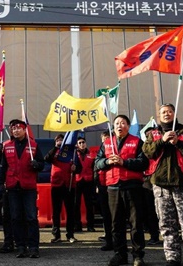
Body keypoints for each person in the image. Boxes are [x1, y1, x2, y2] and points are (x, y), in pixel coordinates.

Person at [142, 104, 183, 266]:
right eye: (163, 112)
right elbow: (148, 152)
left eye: (169, 111)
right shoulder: (152, 133)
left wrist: (178, 143)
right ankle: (172, 258)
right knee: (167, 225)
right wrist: (162, 141)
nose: (166, 114)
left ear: (174, 113)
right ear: (159, 115)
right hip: (161, 186)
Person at [95, 114, 149, 266]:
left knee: (135, 223)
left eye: (123, 123)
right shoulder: (106, 143)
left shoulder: (137, 142)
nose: (119, 125)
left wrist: (124, 162)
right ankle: (120, 254)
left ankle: (138, 255)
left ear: (128, 125)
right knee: (116, 224)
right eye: (117, 123)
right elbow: (97, 162)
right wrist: (106, 161)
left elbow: (143, 163)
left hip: (132, 187)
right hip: (112, 187)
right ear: (113, 127)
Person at [0, 119, 44, 259]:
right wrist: (1, 183)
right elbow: (3, 167)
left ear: (25, 130)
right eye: (13, 128)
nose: (16, 130)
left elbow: (42, 164)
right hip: (12, 187)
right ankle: (21, 247)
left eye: (19, 128)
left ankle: (34, 247)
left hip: (28, 187)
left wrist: (36, 164)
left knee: (31, 217)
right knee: (16, 217)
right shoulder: (6, 146)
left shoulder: (34, 146)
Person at [45, 133, 81, 244]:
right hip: (56, 185)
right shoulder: (54, 152)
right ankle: (56, 235)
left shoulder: (73, 153)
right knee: (56, 211)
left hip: (69, 184)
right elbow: (47, 158)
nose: (60, 142)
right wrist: (56, 147)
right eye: (58, 140)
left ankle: (70, 235)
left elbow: (80, 168)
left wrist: (75, 168)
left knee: (70, 211)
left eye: (61, 140)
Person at [95, 131, 113, 251]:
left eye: (108, 138)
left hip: (114, 185)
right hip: (102, 186)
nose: (106, 140)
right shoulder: (101, 151)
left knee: (117, 215)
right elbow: (96, 167)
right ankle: (109, 239)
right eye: (104, 138)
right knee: (106, 214)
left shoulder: (116, 149)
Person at [75, 135, 96, 233]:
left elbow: (94, 168)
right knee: (76, 204)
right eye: (80, 143)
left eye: (83, 142)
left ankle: (90, 226)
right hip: (77, 181)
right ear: (77, 145)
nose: (82, 144)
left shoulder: (91, 154)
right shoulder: (74, 154)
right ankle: (77, 225)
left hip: (88, 181)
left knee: (89, 205)